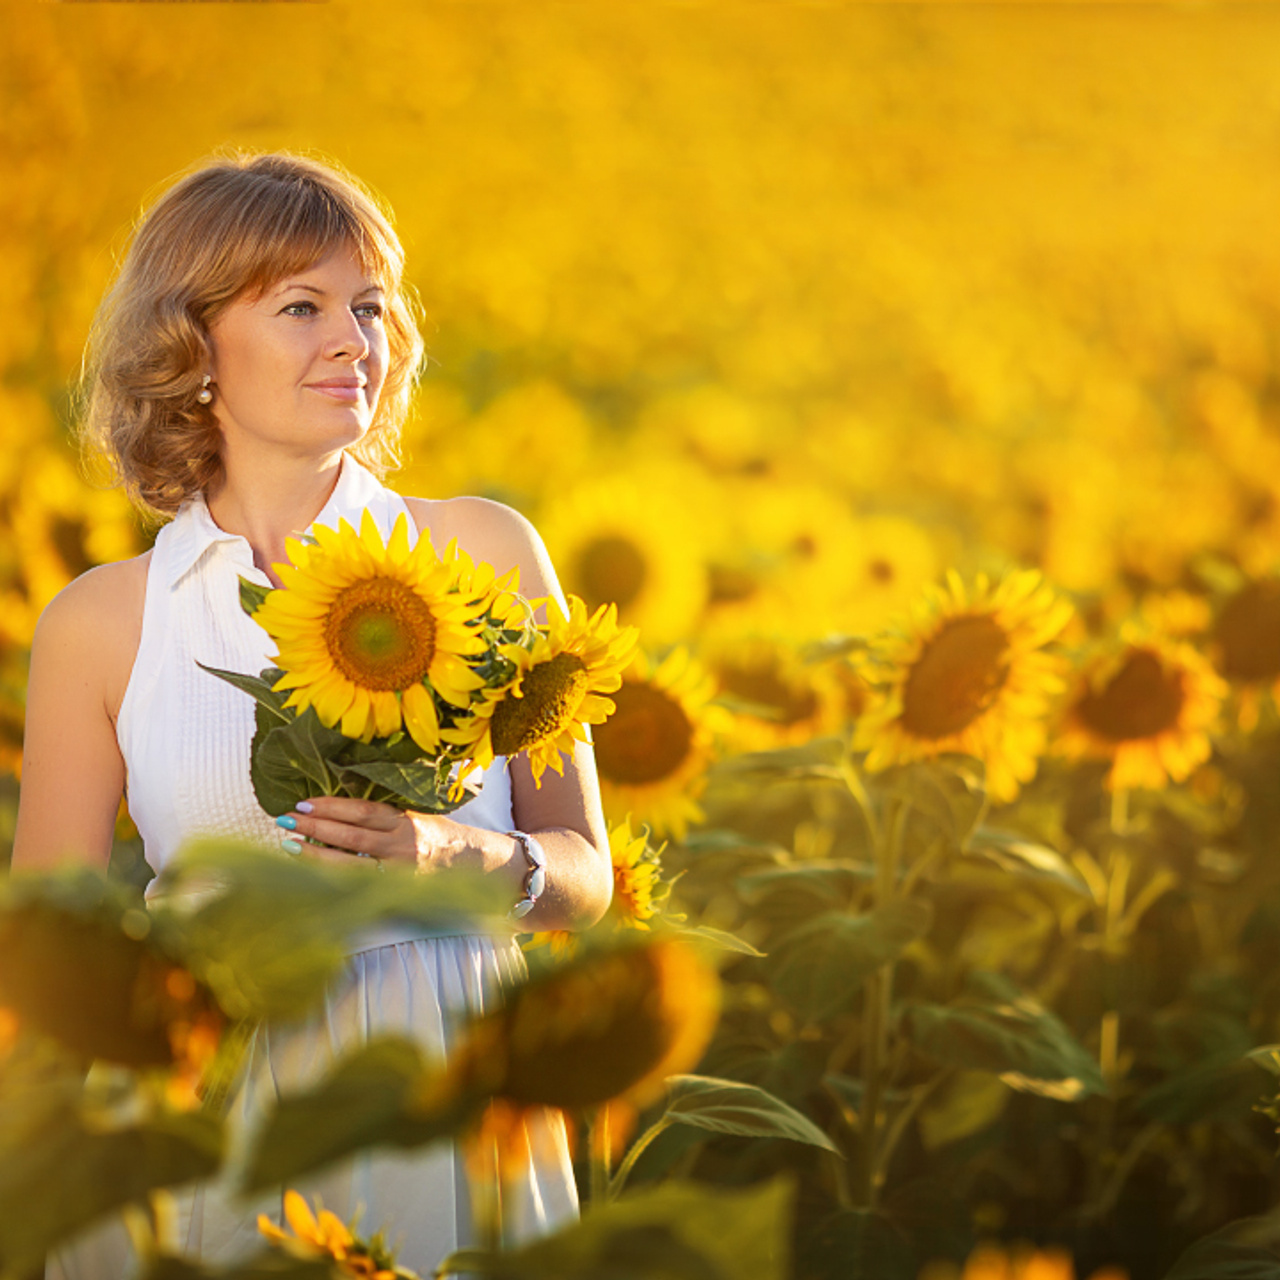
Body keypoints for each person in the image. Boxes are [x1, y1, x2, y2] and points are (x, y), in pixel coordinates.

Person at [11, 150, 612, 1276]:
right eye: (301, 306)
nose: (355, 340)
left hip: (448, 1097)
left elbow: (586, 872)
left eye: (369, 305)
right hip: (213, 1115)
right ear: (192, 350)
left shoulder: (483, 551)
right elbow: (48, 950)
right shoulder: (102, 622)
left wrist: (450, 852)